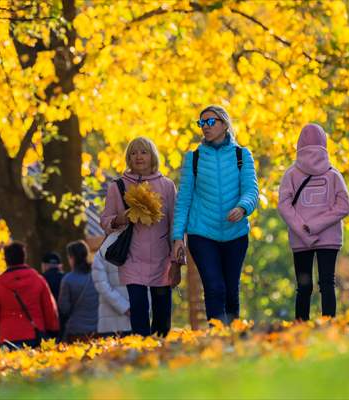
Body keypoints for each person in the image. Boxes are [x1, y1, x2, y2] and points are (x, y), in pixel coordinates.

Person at [172, 105, 259, 324]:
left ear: (224, 123)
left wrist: (242, 207)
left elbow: (251, 190)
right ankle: (217, 337)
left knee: (230, 289)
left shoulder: (242, 154)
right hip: (202, 234)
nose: (205, 127)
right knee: (214, 286)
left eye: (210, 122)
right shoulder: (193, 158)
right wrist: (177, 237)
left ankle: (233, 336)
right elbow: (184, 199)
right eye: (202, 123)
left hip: (236, 234)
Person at [101, 136, 178, 337]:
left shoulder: (167, 185)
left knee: (162, 313)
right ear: (128, 158)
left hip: (162, 257)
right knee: (138, 306)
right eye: (133, 153)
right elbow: (105, 219)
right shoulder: (117, 186)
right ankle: (141, 346)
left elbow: (175, 223)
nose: (138, 157)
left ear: (152, 156)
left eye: (143, 152)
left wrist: (178, 257)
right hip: (132, 257)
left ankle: (160, 348)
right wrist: (120, 219)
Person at [277, 123, 349, 321]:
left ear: (299, 145)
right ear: (324, 145)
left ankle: (300, 328)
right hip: (330, 238)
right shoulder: (334, 175)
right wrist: (318, 225)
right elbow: (344, 206)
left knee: (304, 286)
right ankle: (329, 326)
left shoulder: (290, 174)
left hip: (300, 239)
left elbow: (283, 205)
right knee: (327, 282)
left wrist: (304, 229)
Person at [0, 242, 59, 349]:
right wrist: (53, 331)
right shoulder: (37, 279)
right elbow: (49, 307)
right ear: (24, 257)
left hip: (8, 337)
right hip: (35, 334)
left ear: (6, 260)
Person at [58, 241, 99, 342]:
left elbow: (64, 309)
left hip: (76, 331)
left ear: (72, 258)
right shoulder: (97, 275)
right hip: (98, 328)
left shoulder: (68, 279)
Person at [91, 248, 131, 336]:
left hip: (110, 323)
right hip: (137, 319)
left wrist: (124, 307)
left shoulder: (101, 253)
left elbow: (102, 285)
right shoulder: (139, 249)